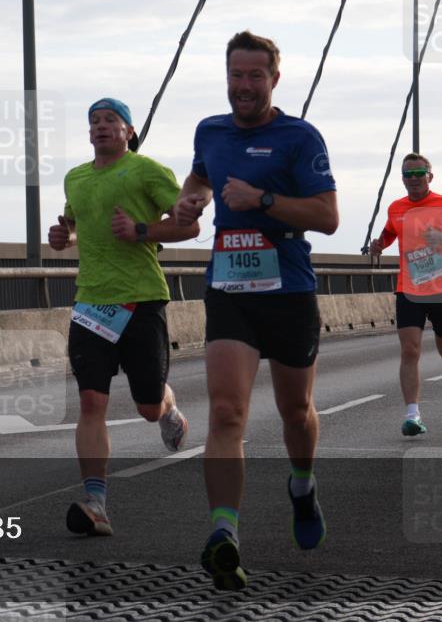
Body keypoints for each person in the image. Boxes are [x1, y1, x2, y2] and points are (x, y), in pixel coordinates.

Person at [174, 31, 339, 590]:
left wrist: (262, 200)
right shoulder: (210, 130)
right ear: (226, 76)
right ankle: (224, 535)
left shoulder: (299, 136)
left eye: (255, 76)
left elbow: (329, 216)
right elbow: (199, 173)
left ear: (274, 78)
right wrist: (190, 195)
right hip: (229, 288)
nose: (244, 86)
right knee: (226, 415)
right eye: (236, 75)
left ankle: (302, 484)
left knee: (297, 413)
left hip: (289, 289)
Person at [48, 97, 199, 537]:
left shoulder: (147, 171)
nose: (100, 126)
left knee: (148, 406)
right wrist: (64, 235)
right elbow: (75, 225)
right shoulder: (75, 177)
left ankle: (170, 410)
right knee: (92, 402)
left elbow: (188, 226)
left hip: (142, 300)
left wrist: (141, 232)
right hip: (91, 303)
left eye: (110, 120)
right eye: (93, 120)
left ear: (129, 130)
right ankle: (96, 503)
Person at [367, 153, 442, 437]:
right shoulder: (396, 208)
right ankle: (413, 415)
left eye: (419, 173)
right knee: (409, 350)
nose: (413, 179)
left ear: (430, 176)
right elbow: (389, 233)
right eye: (408, 175)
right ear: (402, 179)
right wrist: (379, 245)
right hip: (408, 288)